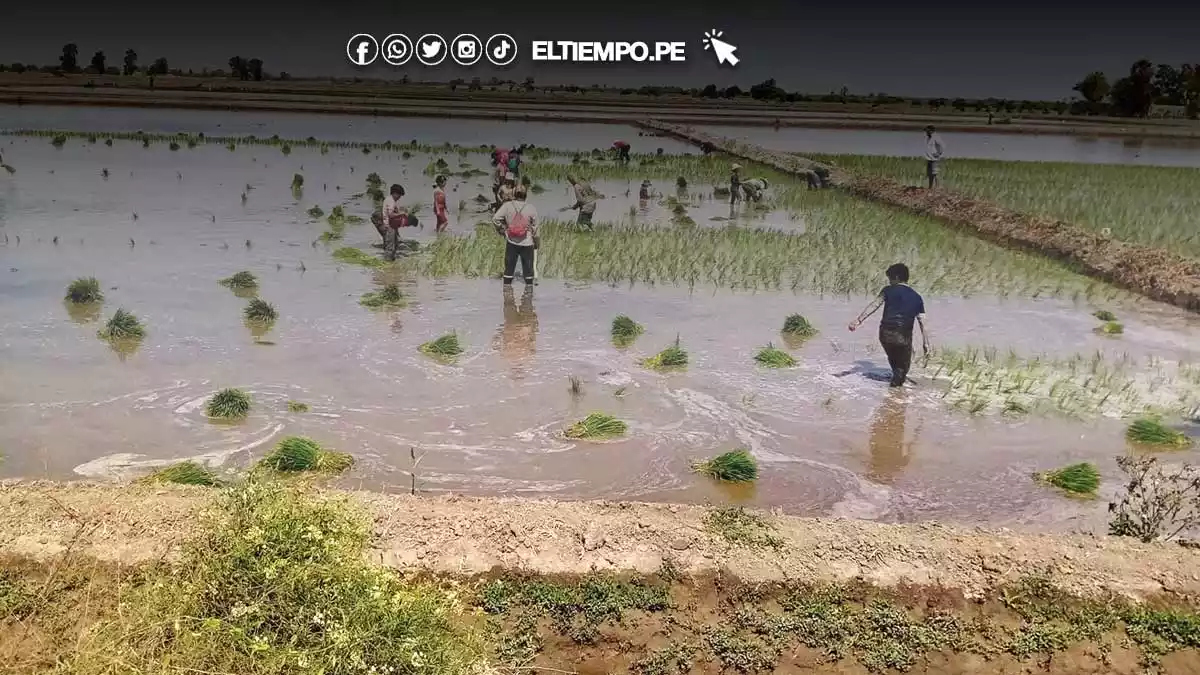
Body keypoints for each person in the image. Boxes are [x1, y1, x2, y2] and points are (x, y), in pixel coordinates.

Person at [848, 263, 930, 388]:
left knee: (894, 361)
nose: (889, 282)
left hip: (884, 334)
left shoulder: (888, 290)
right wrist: (926, 343)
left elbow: (874, 305)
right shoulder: (917, 297)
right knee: (902, 369)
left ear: (896, 277)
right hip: (902, 336)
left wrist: (858, 320)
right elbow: (923, 322)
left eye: (890, 279)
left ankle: (894, 388)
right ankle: (895, 393)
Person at [492, 185, 538, 285]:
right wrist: (536, 241)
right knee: (528, 272)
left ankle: (507, 292)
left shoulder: (507, 206)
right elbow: (535, 228)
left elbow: (495, 219)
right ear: (526, 195)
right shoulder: (531, 208)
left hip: (511, 241)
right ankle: (528, 291)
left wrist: (502, 230)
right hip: (527, 243)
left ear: (514, 194)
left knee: (508, 271)